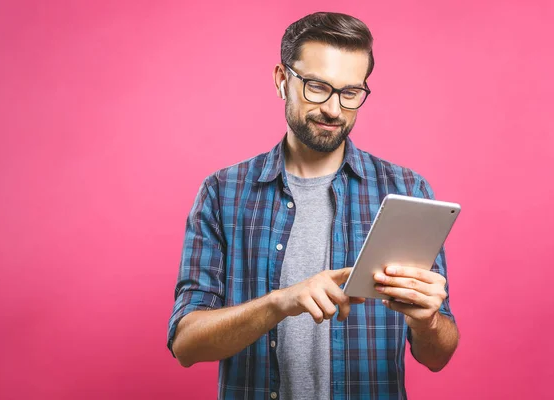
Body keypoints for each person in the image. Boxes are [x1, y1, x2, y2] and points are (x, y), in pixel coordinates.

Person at [167, 11, 459, 400]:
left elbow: (438, 356)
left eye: (350, 92)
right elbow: (185, 343)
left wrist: (428, 323)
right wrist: (278, 303)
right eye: (317, 87)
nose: (334, 110)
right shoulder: (223, 193)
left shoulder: (407, 189)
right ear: (281, 80)